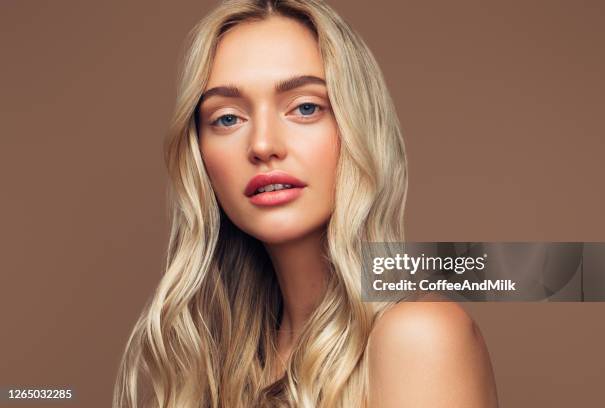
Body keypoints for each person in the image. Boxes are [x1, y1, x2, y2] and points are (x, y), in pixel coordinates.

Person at [113, 1, 498, 407]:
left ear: (357, 128)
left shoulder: (420, 334)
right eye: (227, 118)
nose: (263, 145)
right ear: (199, 155)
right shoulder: (231, 363)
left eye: (306, 108)